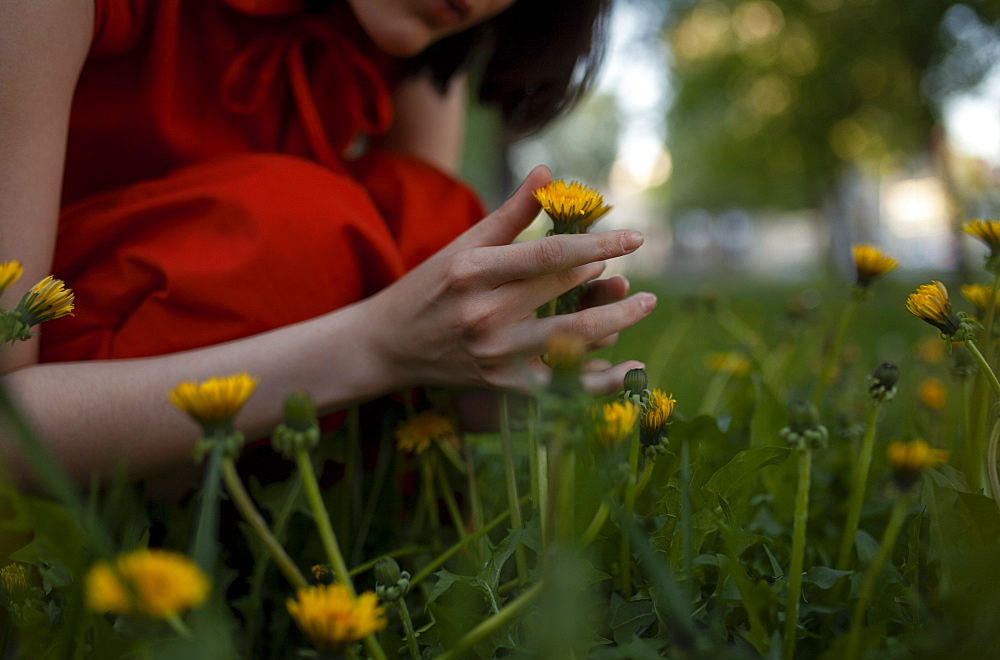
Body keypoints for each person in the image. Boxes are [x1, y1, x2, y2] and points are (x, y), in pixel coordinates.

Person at [0, 0, 657, 487]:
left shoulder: (418, 33)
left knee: (431, 225)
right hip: (64, 389)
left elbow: (416, 270)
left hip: (259, 436)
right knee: (308, 236)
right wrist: (376, 346)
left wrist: (490, 365)